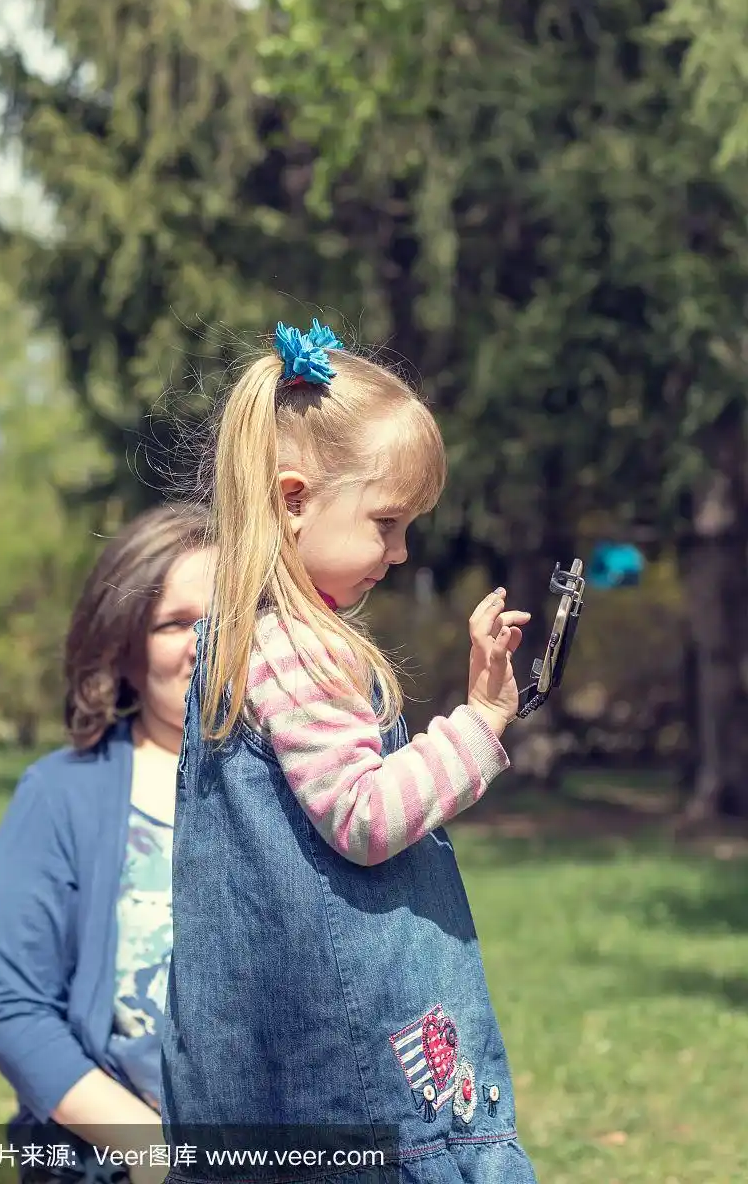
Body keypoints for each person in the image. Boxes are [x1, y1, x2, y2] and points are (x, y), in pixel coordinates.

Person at [161, 320, 539, 1182]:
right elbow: (365, 816)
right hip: (350, 1070)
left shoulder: (245, 642)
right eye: (389, 522)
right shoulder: (296, 647)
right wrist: (481, 718)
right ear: (293, 499)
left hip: (263, 1071)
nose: (401, 553)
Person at [0, 504, 214, 1184]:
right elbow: (10, 1005)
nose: (208, 642)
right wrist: (150, 1149)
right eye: (176, 623)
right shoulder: (60, 796)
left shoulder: (317, 792)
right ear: (126, 650)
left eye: (227, 619)